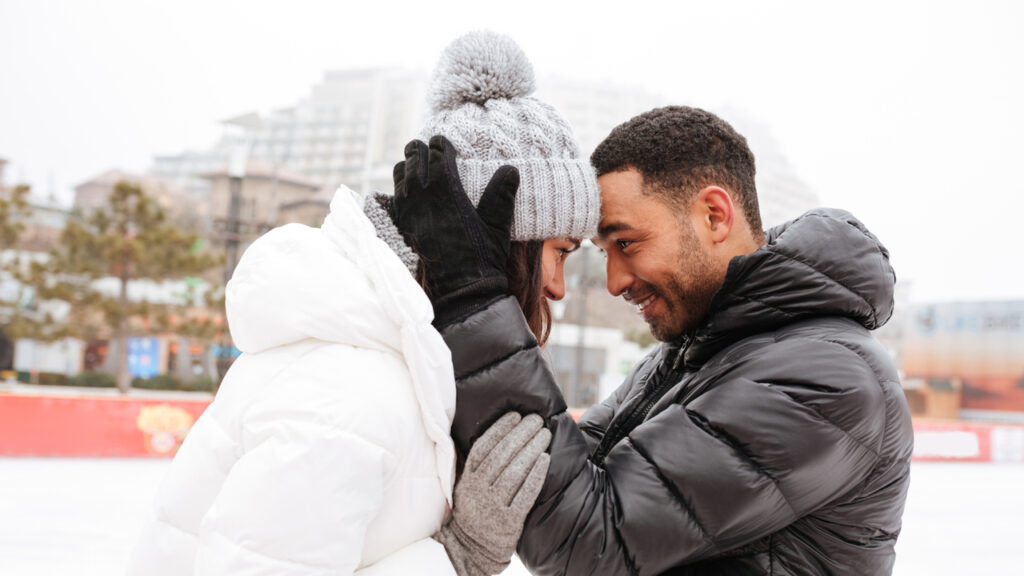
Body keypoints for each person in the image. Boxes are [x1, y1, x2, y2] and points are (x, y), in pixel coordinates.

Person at [125, 31, 600, 575]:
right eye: (561, 252)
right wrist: (458, 558)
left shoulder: (396, 360)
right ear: (501, 243)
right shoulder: (350, 392)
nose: (559, 287)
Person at [396, 105, 914, 575]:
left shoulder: (828, 379)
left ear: (714, 215)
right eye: (604, 253)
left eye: (627, 242)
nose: (615, 281)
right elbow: (566, 464)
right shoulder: (691, 353)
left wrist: (474, 297)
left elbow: (590, 542)